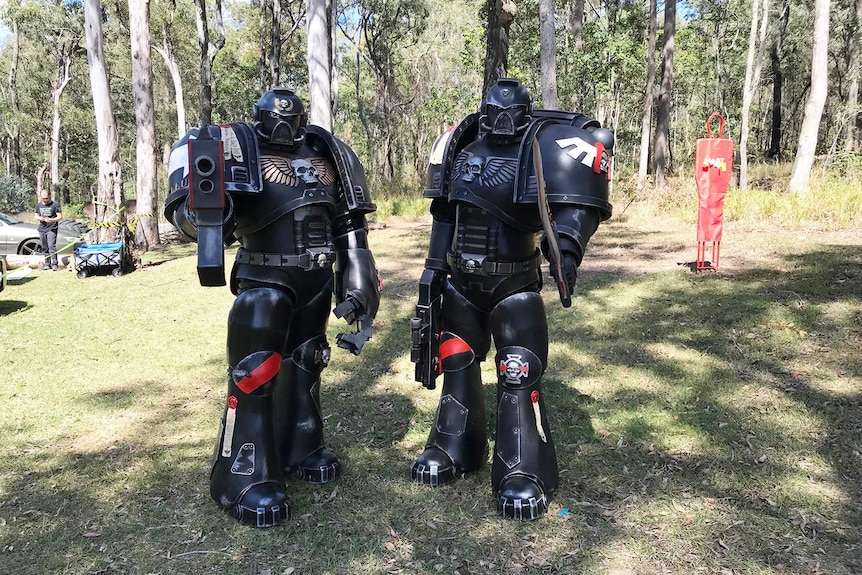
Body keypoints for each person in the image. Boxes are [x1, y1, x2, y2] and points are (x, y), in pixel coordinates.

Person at [164, 87, 381, 528]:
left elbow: (349, 226)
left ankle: (301, 444)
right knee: (256, 372)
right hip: (265, 279)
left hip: (317, 279)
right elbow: (186, 216)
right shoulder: (228, 144)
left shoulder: (329, 150)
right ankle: (244, 474)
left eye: (293, 116)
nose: (285, 123)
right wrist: (208, 209)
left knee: (308, 360)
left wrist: (358, 281)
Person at [410, 78, 613, 520]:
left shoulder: (550, 143)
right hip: (459, 282)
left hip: (514, 284)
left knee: (518, 370)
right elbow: (445, 211)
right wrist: (432, 270)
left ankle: (523, 466)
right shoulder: (459, 142)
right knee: (456, 362)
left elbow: (578, 207)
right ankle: (454, 444)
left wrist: (567, 250)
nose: (501, 120)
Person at [34, 189, 62, 270]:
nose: (45, 200)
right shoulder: (38, 206)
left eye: (47, 198)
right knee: (45, 247)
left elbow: (60, 216)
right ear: (41, 197)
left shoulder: (55, 205)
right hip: (42, 229)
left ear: (49, 196)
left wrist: (52, 220)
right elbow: (36, 216)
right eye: (43, 198)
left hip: (52, 228)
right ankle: (47, 263)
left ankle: (54, 264)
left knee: (51, 246)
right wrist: (41, 218)